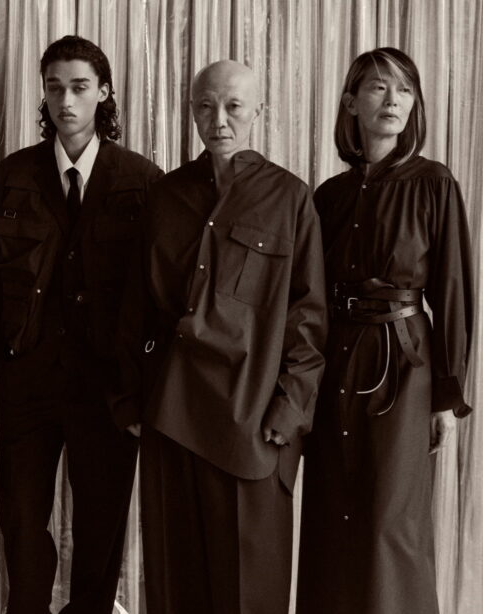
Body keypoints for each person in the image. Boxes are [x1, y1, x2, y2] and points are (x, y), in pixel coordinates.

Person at [116, 60, 327, 613]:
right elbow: (136, 308)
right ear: (192, 111)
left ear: (258, 110)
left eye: (233, 106)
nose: (219, 120)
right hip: (171, 416)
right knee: (175, 588)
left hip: (251, 423)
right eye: (206, 106)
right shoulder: (165, 195)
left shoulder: (289, 198)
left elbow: (308, 316)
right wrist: (129, 400)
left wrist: (288, 410)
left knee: (248, 594)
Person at [0, 35, 163, 613]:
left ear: (103, 92)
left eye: (79, 87)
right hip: (28, 378)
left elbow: (154, 294)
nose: (65, 100)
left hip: (107, 385)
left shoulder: (142, 179)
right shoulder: (13, 174)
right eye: (54, 88)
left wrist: (141, 385)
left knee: (101, 522)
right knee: (19, 515)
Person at [296, 47, 474, 614]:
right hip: (335, 362)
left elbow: (453, 291)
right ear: (351, 102)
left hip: (403, 364)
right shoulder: (328, 196)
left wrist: (446, 397)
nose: (393, 100)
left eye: (404, 90)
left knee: (388, 522)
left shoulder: (433, 183)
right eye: (378, 87)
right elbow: (307, 298)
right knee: (332, 512)